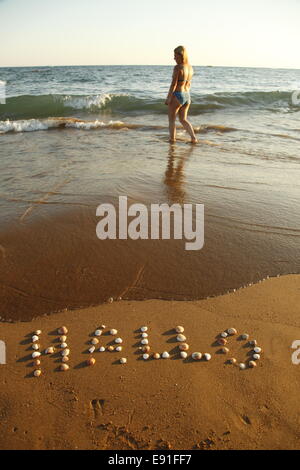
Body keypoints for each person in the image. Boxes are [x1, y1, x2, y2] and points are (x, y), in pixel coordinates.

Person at [165, 46, 197, 144]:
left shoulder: (178, 67)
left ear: (181, 55)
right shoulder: (190, 68)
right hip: (187, 95)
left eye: (175, 56)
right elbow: (189, 83)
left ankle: (172, 139)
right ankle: (193, 138)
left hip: (178, 95)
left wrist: (169, 97)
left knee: (171, 120)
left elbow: (174, 84)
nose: (174, 58)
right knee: (183, 119)